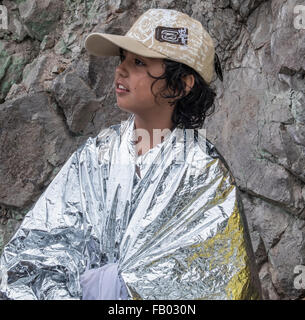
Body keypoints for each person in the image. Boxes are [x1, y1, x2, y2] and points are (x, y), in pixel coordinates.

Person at [0, 8, 261, 300]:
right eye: (122, 58)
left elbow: (218, 285)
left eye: (138, 62)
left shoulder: (204, 173)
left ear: (181, 85)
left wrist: (110, 286)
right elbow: (40, 247)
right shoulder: (97, 155)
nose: (121, 70)